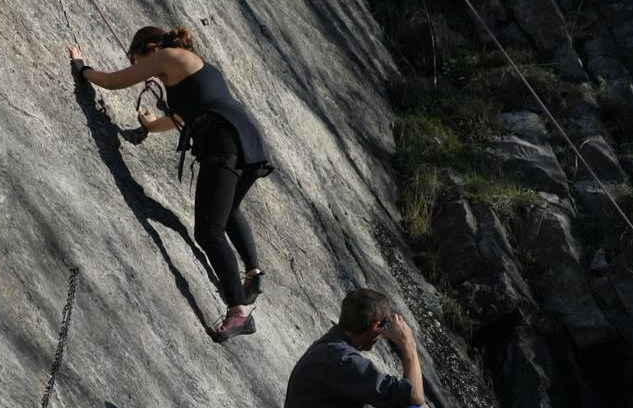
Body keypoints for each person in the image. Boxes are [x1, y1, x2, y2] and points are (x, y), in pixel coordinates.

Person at [65, 26, 272, 342]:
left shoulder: (166, 56)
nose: (145, 70)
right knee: (228, 210)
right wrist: (150, 125)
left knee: (208, 230)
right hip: (246, 140)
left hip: (223, 143)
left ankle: (239, 310)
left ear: (149, 49)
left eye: (138, 61)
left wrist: (83, 68)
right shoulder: (193, 66)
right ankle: (253, 273)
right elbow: (183, 118)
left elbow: (113, 81)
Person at [284, 288, 426, 408]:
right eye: (384, 325)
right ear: (375, 326)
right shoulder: (344, 361)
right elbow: (414, 397)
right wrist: (408, 345)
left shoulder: (330, 345)